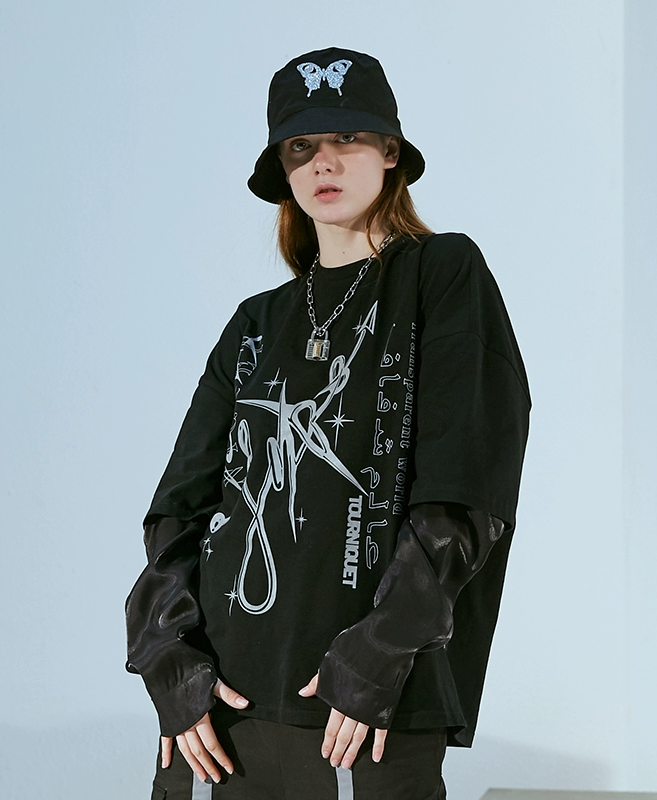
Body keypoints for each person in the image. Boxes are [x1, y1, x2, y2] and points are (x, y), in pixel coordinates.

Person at [126, 47, 530, 800]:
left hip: (364, 703)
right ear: (282, 170)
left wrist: (379, 652)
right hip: (219, 709)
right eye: (301, 146)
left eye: (348, 137)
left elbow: (466, 487)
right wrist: (167, 657)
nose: (324, 161)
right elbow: (179, 507)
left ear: (389, 153)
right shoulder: (256, 322)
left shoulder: (442, 274)